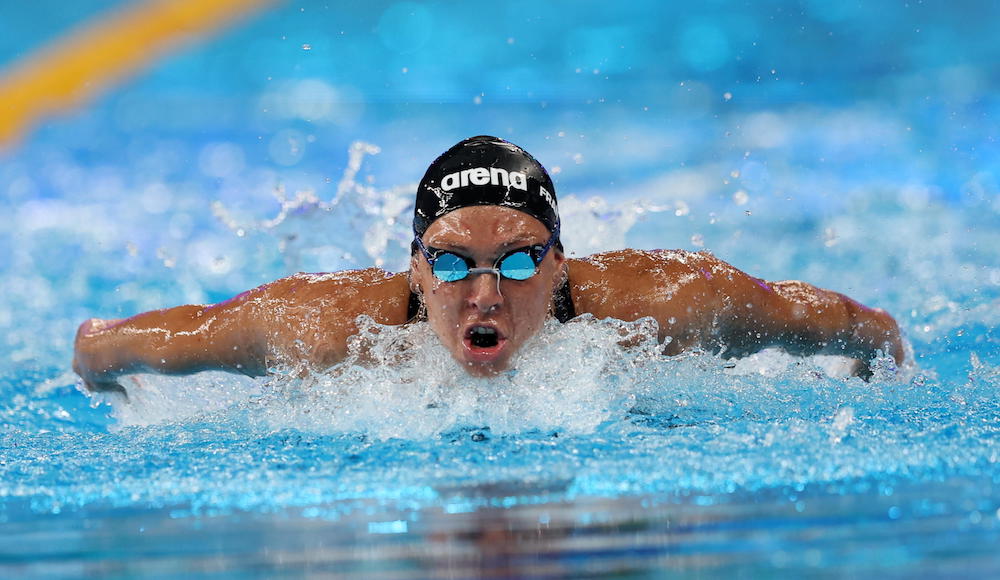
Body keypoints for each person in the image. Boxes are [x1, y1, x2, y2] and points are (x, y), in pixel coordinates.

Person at [73, 135, 905, 395]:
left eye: (516, 262)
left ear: (557, 265)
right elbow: (102, 343)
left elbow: (852, 326)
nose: (483, 294)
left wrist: (881, 366)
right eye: (452, 264)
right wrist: (104, 375)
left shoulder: (673, 302)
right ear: (412, 271)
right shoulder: (317, 327)